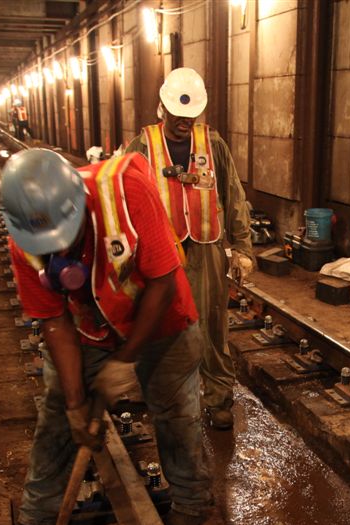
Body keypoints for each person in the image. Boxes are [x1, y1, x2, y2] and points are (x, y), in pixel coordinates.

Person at [0, 148, 213, 525]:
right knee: (58, 411)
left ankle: (191, 502)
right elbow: (53, 320)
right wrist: (79, 402)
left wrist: (126, 360)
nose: (58, 253)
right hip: (90, 326)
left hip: (162, 317)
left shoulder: (126, 188)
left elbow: (163, 283)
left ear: (80, 205)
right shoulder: (22, 241)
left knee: (174, 411)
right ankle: (38, 516)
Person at [125, 67, 254, 430]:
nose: (184, 122)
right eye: (178, 116)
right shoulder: (141, 148)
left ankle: (218, 399)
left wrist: (243, 247)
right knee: (165, 328)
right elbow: (125, 201)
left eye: (191, 116)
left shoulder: (213, 145)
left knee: (213, 327)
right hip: (161, 255)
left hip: (207, 249)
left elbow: (234, 197)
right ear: (162, 109)